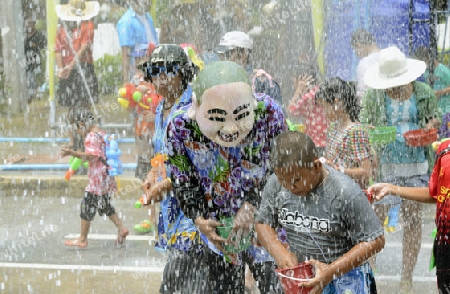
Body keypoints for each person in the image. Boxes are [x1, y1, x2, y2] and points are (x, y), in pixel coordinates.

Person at [163, 61, 285, 293]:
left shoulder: (268, 113)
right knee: (223, 287)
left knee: (277, 285)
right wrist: (198, 216)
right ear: (197, 107)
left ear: (252, 103)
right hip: (216, 227)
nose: (230, 129)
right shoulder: (180, 127)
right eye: (218, 118)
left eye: (240, 116)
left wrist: (253, 206)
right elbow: (181, 178)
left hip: (265, 220)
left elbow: (282, 168)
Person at [255, 131, 385, 293]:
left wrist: (330, 271)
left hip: (346, 281)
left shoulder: (344, 192)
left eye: (296, 180)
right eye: (283, 181)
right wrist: (279, 252)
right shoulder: (276, 184)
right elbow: (262, 223)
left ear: (316, 166)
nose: (290, 187)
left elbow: (375, 240)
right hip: (304, 279)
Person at [361, 45, 442, 293]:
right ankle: (368, 272)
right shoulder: (375, 96)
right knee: (375, 220)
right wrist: (373, 134)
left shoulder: (423, 91)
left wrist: (430, 125)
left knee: (412, 219)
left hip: (417, 163)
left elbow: (435, 116)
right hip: (387, 165)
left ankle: (406, 276)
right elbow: (365, 123)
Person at [137, 44, 208, 293]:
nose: (162, 79)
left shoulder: (193, 108)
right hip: (172, 210)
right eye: (156, 72)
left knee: (178, 277)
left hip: (194, 206)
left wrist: (165, 185)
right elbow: (165, 155)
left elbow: (197, 164)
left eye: (169, 71)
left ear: (183, 73)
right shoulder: (161, 108)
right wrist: (153, 174)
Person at [368, 138, 450, 294]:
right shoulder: (445, 149)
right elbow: (436, 194)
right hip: (445, 243)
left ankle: (406, 278)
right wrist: (393, 189)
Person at [60, 109, 129, 248]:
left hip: (97, 179)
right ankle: (122, 228)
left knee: (86, 205)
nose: (78, 132)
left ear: (81, 123)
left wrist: (71, 153)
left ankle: (82, 239)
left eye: (77, 128)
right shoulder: (101, 133)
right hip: (106, 176)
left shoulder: (91, 136)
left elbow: (91, 156)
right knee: (105, 204)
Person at [55, 0, 100, 150]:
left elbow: (83, 48)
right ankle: (74, 140)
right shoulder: (62, 27)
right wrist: (62, 69)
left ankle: (87, 137)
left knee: (84, 106)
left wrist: (68, 67)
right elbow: (57, 50)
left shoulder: (87, 25)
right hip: (70, 70)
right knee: (72, 108)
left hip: (83, 68)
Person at [315, 77, 373, 189]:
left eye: (324, 107)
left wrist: (338, 170)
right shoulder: (334, 127)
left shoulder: (355, 131)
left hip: (350, 193)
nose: (323, 112)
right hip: (335, 188)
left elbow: (366, 171)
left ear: (337, 103)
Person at [214, 31, 284, 112]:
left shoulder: (263, 82)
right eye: (221, 55)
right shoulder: (218, 81)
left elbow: (279, 118)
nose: (223, 60)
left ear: (244, 53)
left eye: (227, 55)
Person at [117, 0, 159, 85]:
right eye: (148, 1)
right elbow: (126, 54)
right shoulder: (126, 22)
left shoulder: (148, 18)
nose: (151, 3)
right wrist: (126, 82)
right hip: (137, 79)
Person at [287, 72, 328, 155]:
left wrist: (298, 90)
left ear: (302, 80)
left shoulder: (310, 96)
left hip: (314, 143)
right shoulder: (319, 91)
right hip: (324, 142)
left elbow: (290, 111)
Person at [414, 45, 450, 138]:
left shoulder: (443, 70)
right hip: (437, 111)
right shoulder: (427, 71)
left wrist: (440, 92)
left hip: (447, 109)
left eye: (424, 61)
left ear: (428, 58)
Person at [351, 29, 381, 99]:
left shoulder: (364, 64)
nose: (358, 55)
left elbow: (363, 94)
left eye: (356, 51)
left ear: (358, 45)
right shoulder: (387, 56)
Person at [24, 14, 46, 104]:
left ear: (34, 24)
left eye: (30, 23)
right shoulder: (23, 36)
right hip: (24, 63)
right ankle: (28, 97)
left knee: (32, 80)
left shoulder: (39, 35)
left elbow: (45, 48)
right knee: (27, 81)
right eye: (27, 23)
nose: (28, 25)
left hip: (35, 64)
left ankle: (31, 96)